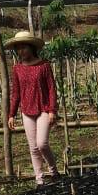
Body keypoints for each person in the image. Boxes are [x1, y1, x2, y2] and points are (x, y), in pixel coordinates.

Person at [7, 30, 58, 185]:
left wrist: (52, 111)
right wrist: (11, 114)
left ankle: (54, 171)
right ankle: (40, 179)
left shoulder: (44, 66)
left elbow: (51, 88)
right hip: (27, 110)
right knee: (33, 147)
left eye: (24, 47)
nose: (21, 51)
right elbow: (15, 92)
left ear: (31, 48)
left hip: (43, 108)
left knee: (42, 143)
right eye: (18, 48)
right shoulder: (17, 68)